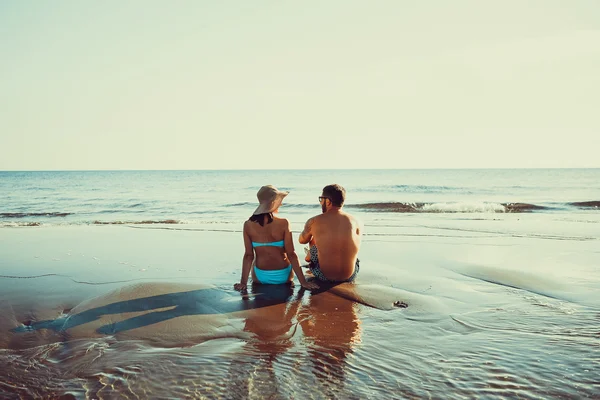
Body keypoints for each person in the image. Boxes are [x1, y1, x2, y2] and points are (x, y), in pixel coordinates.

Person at [234, 185, 318, 291]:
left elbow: (248, 256)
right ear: (274, 202)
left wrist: (243, 283)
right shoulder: (284, 223)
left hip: (260, 277)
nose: (281, 203)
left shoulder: (248, 225)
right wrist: (303, 282)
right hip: (284, 276)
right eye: (279, 200)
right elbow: (291, 254)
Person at [299, 184, 361, 283]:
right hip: (350, 276)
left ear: (328, 201)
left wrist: (312, 232)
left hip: (324, 276)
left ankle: (310, 258)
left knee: (314, 240)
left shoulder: (314, 221)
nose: (320, 203)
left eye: (321, 199)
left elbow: (302, 240)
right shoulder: (356, 221)